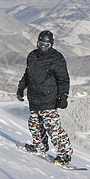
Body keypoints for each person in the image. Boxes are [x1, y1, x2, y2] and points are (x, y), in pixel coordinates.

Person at [16, 30, 73, 165]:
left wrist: (63, 96)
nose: (43, 47)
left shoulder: (57, 58)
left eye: (46, 45)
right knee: (34, 125)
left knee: (53, 129)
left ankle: (64, 155)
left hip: (48, 99)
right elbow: (27, 75)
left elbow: (63, 79)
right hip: (34, 98)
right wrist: (20, 87)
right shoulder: (32, 56)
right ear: (37, 42)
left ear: (51, 45)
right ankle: (39, 147)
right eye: (41, 44)